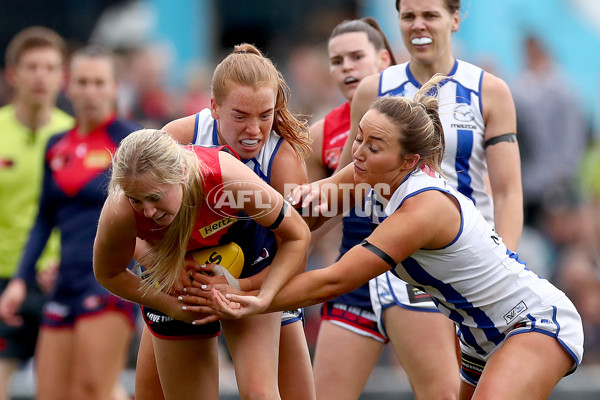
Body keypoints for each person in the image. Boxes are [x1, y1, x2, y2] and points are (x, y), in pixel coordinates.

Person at [192, 75, 584, 400]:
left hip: (532, 321)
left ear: (409, 161)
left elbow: (335, 279)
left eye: (373, 146)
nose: (356, 152)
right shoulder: (369, 170)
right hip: (476, 339)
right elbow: (299, 216)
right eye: (358, 137)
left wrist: (245, 298)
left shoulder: (422, 208)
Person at [337, 3, 523, 396]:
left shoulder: (489, 90)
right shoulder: (375, 89)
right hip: (402, 260)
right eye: (408, 16)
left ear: (455, 19)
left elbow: (507, 191)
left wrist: (504, 265)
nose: (418, 25)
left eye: (431, 15)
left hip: (472, 265)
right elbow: (347, 181)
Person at [135, 43, 316, 400]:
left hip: (255, 272)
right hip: (182, 271)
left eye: (265, 115)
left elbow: (296, 253)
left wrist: (241, 290)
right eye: (240, 116)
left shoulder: (283, 159)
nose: (254, 130)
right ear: (213, 107)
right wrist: (170, 267)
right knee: (149, 394)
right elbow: (134, 231)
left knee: (262, 393)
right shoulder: (178, 138)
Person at [93, 128, 310, 400]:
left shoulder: (227, 180)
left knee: (260, 394)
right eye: (137, 200)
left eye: (155, 198)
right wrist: (170, 300)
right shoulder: (120, 207)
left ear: (182, 175)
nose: (147, 212)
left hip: (249, 255)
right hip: (179, 283)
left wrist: (260, 296)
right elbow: (107, 273)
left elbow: (299, 234)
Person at [305, 18, 459, 399]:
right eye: (337, 60)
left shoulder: (417, 119)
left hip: (416, 272)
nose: (347, 67)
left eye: (357, 56)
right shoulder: (320, 133)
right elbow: (318, 210)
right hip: (355, 266)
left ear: (384, 60)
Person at [0, 45, 140, 400]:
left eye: (99, 82)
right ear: (69, 87)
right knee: (49, 393)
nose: (91, 91)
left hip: (109, 281)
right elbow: (44, 218)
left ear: (114, 87)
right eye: (83, 82)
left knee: (92, 390)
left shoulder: (131, 142)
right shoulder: (56, 145)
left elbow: (153, 215)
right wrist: (20, 278)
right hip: (63, 284)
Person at [0, 26, 73, 399]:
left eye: (49, 68)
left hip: (57, 281)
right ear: (12, 75)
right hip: (3, 281)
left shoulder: (76, 137)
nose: (41, 76)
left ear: (63, 78)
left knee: (63, 389)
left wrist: (64, 259)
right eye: (32, 67)